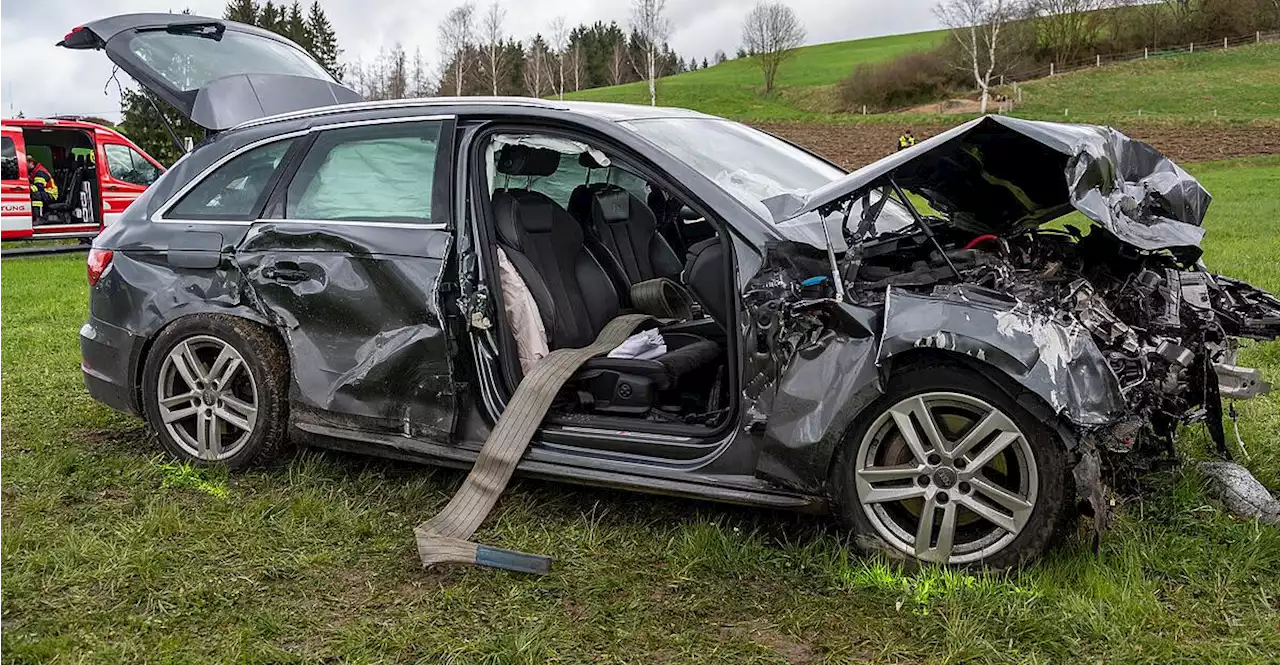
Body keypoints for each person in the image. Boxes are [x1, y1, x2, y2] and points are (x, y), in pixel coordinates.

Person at [27, 155, 58, 221]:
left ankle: (37, 217)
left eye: (25, 164)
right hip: (45, 192)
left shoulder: (40, 172)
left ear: (31, 163)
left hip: (51, 194)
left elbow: (38, 188)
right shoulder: (34, 171)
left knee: (36, 195)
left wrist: (26, 187)